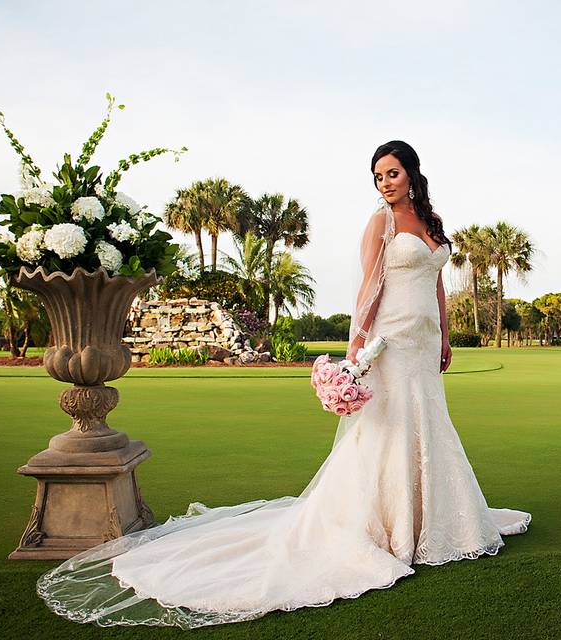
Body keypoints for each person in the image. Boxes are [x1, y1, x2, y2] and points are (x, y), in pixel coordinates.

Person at [36, 140, 531, 628]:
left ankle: (434, 517)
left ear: (412, 174)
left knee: (428, 419)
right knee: (390, 425)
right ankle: (392, 527)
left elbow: (438, 282)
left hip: (424, 340)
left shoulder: (431, 223)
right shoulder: (379, 222)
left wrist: (444, 334)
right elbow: (369, 282)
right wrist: (357, 343)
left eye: (392, 174)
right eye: (378, 176)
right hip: (391, 338)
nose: (385, 183)